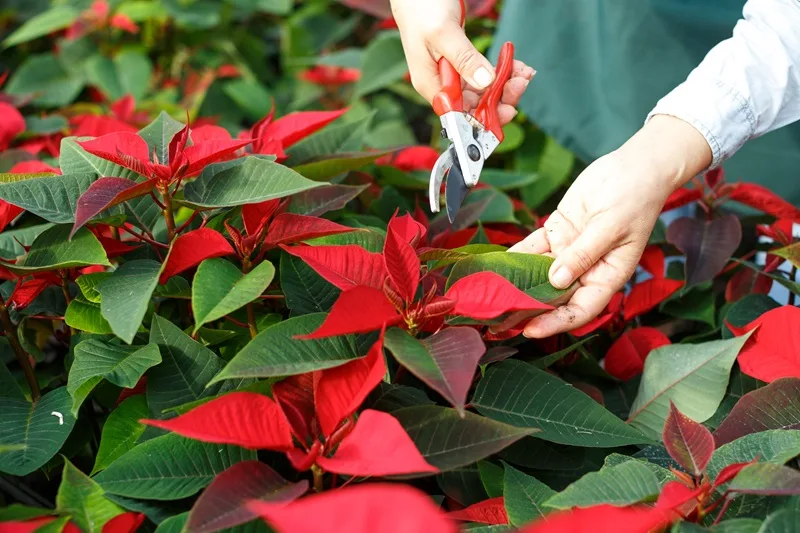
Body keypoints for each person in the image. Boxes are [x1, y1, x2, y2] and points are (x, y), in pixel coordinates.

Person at [389, 0, 800, 338]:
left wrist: (660, 154)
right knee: (629, 180)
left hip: (755, 55)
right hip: (617, 25)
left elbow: (784, 38)